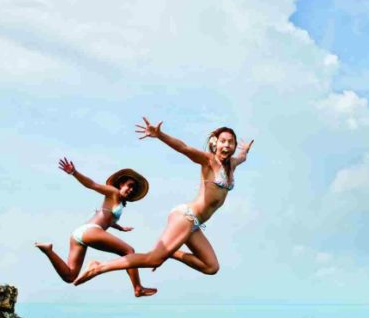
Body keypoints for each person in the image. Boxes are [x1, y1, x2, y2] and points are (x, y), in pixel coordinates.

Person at [74, 118, 253, 286]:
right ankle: (98, 267)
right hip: (186, 217)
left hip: (195, 224)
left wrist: (245, 149)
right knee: (154, 259)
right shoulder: (208, 161)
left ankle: (172, 252)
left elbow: (243, 157)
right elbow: (184, 148)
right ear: (216, 143)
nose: (227, 145)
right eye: (223, 141)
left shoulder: (233, 164)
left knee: (211, 267)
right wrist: (160, 135)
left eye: (231, 142)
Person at [35, 159, 157, 297]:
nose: (131, 190)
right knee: (129, 251)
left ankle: (48, 250)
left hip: (79, 234)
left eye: (133, 189)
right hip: (90, 230)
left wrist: (119, 227)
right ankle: (138, 288)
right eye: (129, 185)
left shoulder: (117, 202)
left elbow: (106, 218)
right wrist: (74, 172)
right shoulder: (113, 192)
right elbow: (92, 184)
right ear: (121, 184)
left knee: (70, 277)